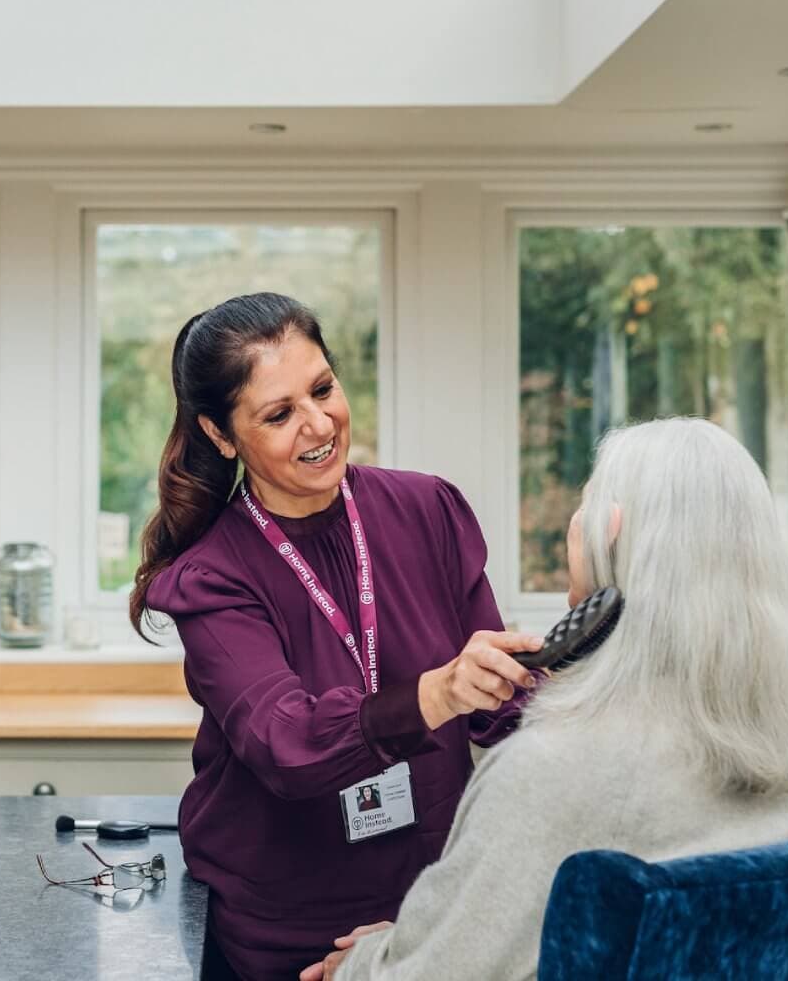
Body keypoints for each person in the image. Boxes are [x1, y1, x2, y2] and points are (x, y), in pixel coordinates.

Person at [302, 418, 788, 981]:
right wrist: (415, 938)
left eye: (584, 504)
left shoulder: (549, 769)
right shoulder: (779, 756)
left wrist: (359, 964)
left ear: (611, 533)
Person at [131, 293, 543, 981]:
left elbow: (502, 709)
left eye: (323, 389)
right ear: (222, 435)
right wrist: (436, 694)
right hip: (283, 936)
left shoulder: (427, 510)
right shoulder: (211, 576)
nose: (319, 424)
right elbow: (286, 746)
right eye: (279, 413)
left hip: (425, 919)